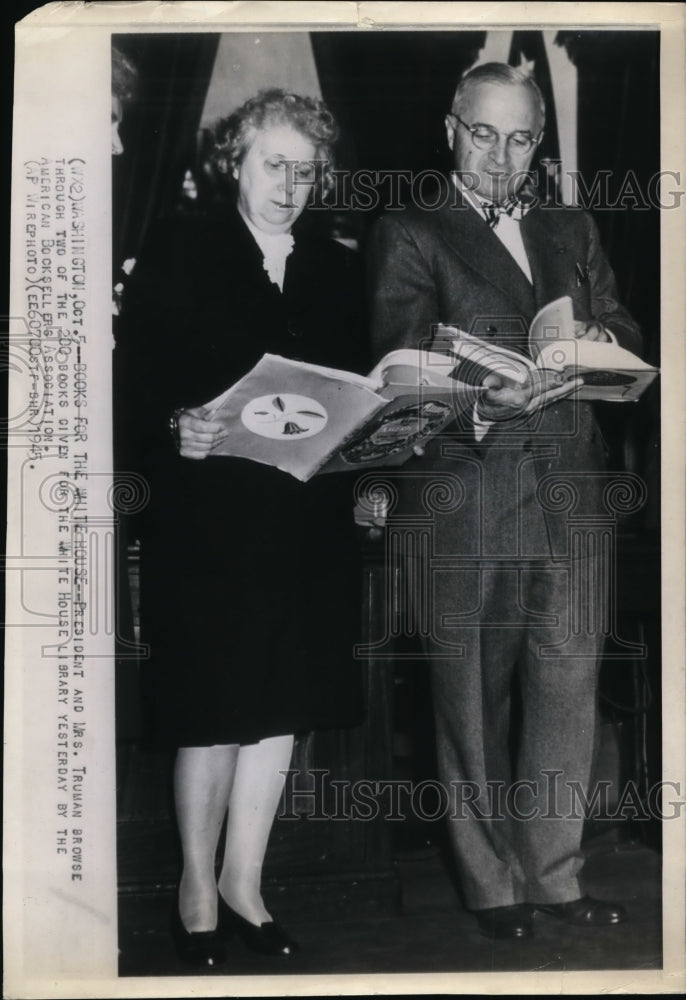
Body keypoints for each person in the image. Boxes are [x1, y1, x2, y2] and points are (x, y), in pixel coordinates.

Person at [368, 63, 642, 941]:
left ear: (538, 142)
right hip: (468, 490)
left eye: (520, 138)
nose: (500, 155)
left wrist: (604, 338)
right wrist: (481, 404)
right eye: (482, 133)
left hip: (571, 489)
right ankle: (492, 888)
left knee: (568, 692)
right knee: (470, 705)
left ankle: (556, 878)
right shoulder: (410, 228)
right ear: (451, 128)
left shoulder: (570, 221)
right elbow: (396, 376)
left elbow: (629, 328)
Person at [122, 89, 366, 967]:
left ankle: (245, 887)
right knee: (214, 708)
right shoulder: (181, 245)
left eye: (306, 170)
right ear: (236, 160)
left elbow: (350, 391)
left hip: (304, 523)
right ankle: (195, 894)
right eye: (275, 164)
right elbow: (136, 383)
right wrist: (170, 427)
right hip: (211, 523)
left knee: (279, 712)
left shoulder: (338, 267)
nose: (291, 185)